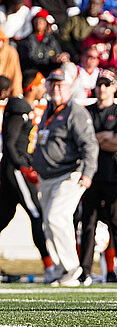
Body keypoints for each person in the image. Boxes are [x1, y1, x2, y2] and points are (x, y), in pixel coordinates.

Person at [32, 67, 99, 286]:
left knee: (56, 218)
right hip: (48, 176)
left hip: (70, 173)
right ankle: (61, 269)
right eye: (52, 83)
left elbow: (90, 144)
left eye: (60, 84)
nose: (55, 88)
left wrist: (88, 172)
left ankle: (74, 270)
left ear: (70, 87)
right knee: (50, 223)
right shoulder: (49, 109)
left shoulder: (75, 111)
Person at [0, 70, 58, 283]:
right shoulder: (19, 106)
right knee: (36, 214)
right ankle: (50, 267)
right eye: (42, 84)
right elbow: (10, 143)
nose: (44, 89)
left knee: (3, 216)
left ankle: (50, 266)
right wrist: (23, 167)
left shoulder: (25, 107)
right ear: (33, 86)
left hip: (15, 168)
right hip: (16, 169)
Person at [80, 69, 117, 285]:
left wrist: (93, 140)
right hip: (90, 174)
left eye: (106, 84)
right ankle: (84, 272)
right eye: (99, 84)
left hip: (114, 175)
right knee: (87, 224)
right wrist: (104, 138)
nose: (102, 88)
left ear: (114, 87)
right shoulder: (85, 111)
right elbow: (79, 140)